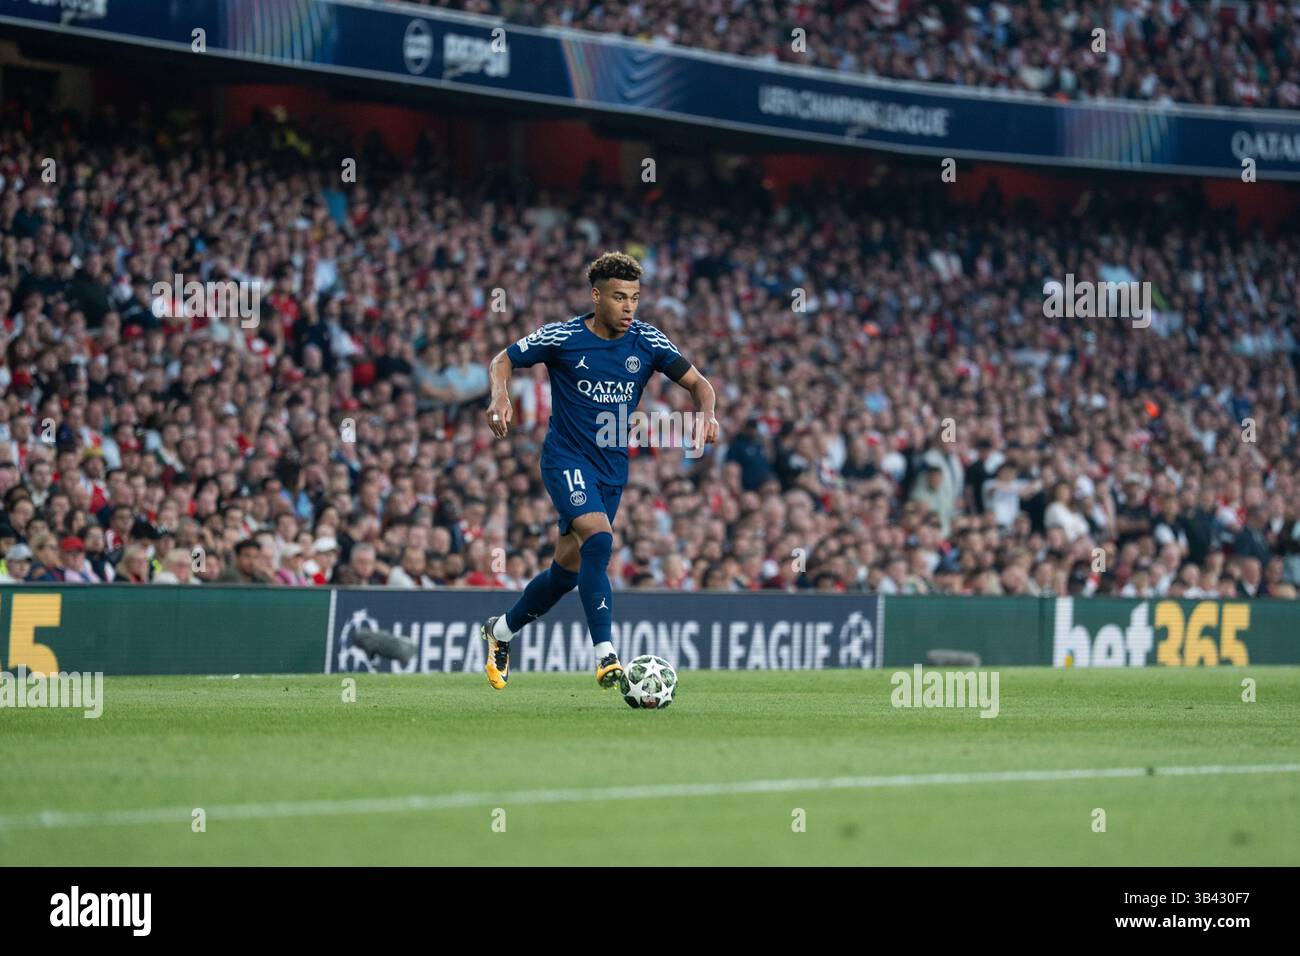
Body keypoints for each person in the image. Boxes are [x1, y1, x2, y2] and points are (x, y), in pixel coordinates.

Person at [481, 251, 718, 691]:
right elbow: (503, 360)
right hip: (565, 459)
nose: (629, 307)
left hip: (612, 469)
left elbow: (699, 384)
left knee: (565, 575)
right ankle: (606, 655)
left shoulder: (648, 341)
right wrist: (500, 396)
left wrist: (705, 415)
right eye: (619, 298)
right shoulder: (564, 336)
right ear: (597, 296)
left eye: (634, 298)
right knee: (601, 538)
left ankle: (499, 633)